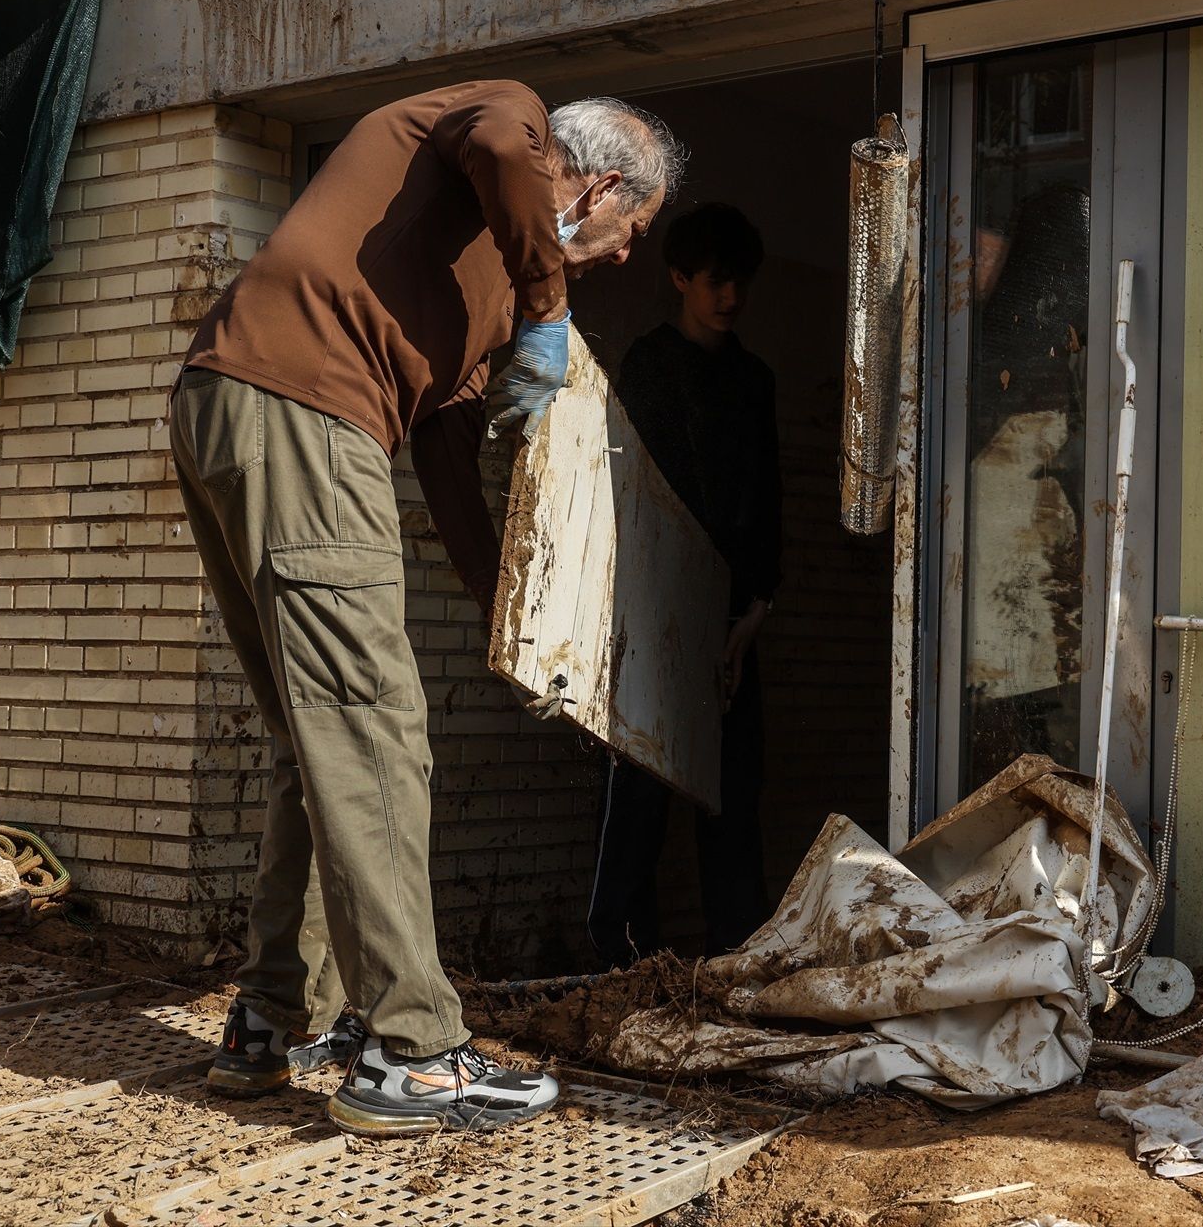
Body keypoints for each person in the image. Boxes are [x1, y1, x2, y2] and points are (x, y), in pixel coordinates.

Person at [170, 82, 682, 1136]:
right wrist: (550, 311)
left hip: (234, 403)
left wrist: (515, 621)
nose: (630, 255)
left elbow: (447, 454)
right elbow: (503, 139)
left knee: (310, 743)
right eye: (638, 229)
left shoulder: (479, 290)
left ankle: (273, 1017)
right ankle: (414, 1053)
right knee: (374, 733)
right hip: (308, 407)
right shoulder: (510, 121)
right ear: (604, 186)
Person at [588, 203, 781, 966]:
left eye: (741, 284)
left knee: (734, 795)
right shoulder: (651, 366)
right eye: (716, 282)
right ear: (678, 278)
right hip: (660, 610)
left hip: (735, 616)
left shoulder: (754, 380)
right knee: (640, 790)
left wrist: (755, 609)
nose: (731, 298)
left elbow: (765, 501)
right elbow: (640, 498)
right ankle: (616, 966)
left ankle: (736, 964)